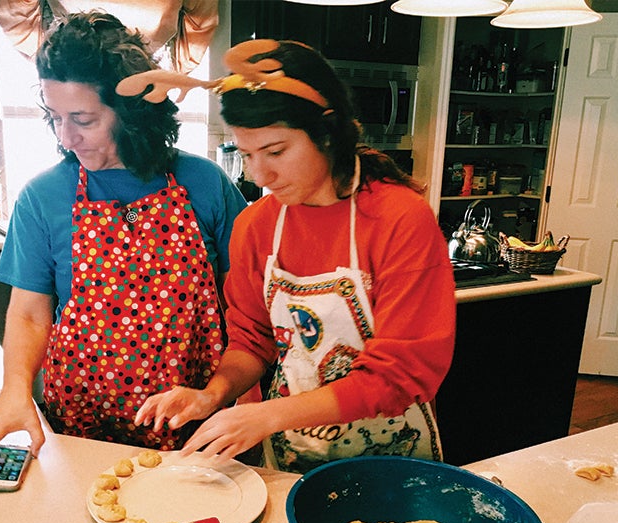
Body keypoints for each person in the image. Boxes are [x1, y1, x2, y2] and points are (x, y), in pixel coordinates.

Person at [131, 40, 456, 473]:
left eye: (276, 151)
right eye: (246, 154)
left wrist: (268, 415)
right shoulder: (256, 227)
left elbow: (401, 375)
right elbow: (252, 339)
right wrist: (213, 394)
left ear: (326, 131)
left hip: (391, 455)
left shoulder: (400, 219)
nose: (259, 175)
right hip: (290, 452)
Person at [0, 11, 246, 474]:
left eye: (83, 119)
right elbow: (30, 313)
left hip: (192, 434)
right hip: (81, 435)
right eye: (55, 117)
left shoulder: (204, 183)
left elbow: (246, 304)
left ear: (133, 113)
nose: (66, 136)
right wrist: (15, 391)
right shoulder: (43, 197)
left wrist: (230, 391)